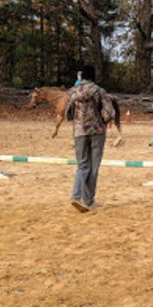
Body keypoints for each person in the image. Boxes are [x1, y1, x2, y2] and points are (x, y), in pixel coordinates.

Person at [67, 65, 112, 212]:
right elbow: (108, 112)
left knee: (82, 165)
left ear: (82, 76)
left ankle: (76, 195)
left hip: (80, 131)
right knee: (94, 166)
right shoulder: (99, 91)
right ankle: (89, 200)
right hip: (97, 131)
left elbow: (68, 113)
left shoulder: (73, 92)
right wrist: (104, 121)